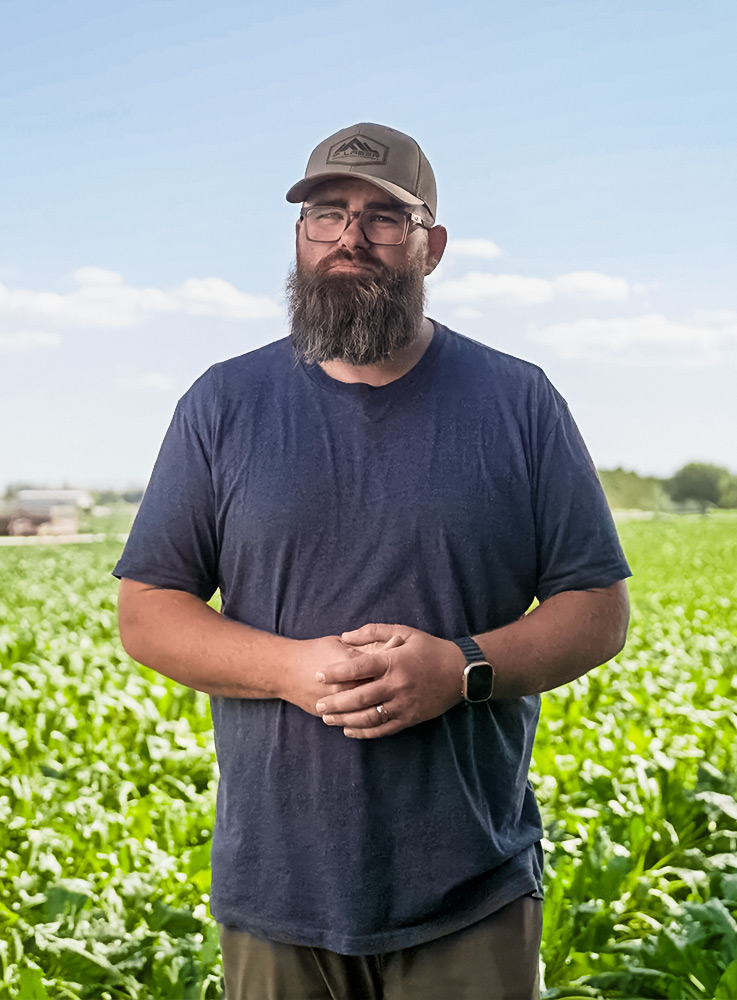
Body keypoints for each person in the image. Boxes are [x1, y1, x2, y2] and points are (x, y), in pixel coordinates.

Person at [115, 122, 631, 1000]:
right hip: (278, 895)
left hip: (469, 891)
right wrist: (291, 669)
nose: (349, 237)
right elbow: (148, 608)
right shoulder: (223, 403)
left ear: (429, 246)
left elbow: (596, 608)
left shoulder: (519, 401)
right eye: (325, 214)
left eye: (382, 217)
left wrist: (459, 668)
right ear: (300, 237)